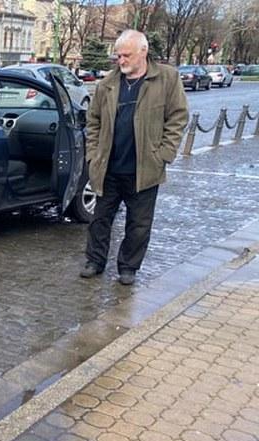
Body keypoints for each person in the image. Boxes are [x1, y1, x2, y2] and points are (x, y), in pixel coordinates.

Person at [80, 29, 189, 286]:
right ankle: (95, 261)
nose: (121, 60)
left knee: (139, 224)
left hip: (144, 168)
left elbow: (178, 117)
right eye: (118, 56)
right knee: (99, 219)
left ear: (143, 52)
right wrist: (93, 155)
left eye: (126, 55)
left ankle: (128, 267)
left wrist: (164, 154)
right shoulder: (107, 83)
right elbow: (92, 120)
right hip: (108, 167)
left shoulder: (166, 78)